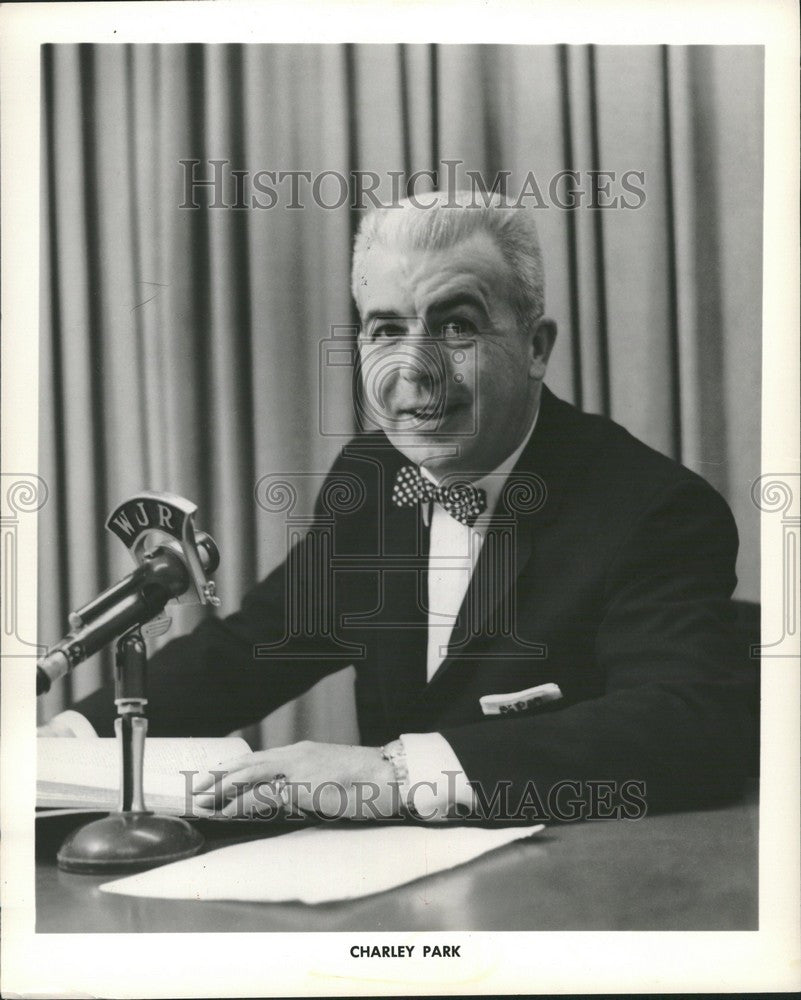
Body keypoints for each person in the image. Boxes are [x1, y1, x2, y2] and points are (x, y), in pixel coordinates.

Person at [43, 191, 756, 822]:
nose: (413, 368)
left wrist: (394, 773)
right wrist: (62, 748)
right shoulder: (374, 476)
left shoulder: (653, 509)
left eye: (456, 327)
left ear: (535, 347)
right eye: (385, 331)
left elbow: (691, 724)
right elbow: (251, 649)